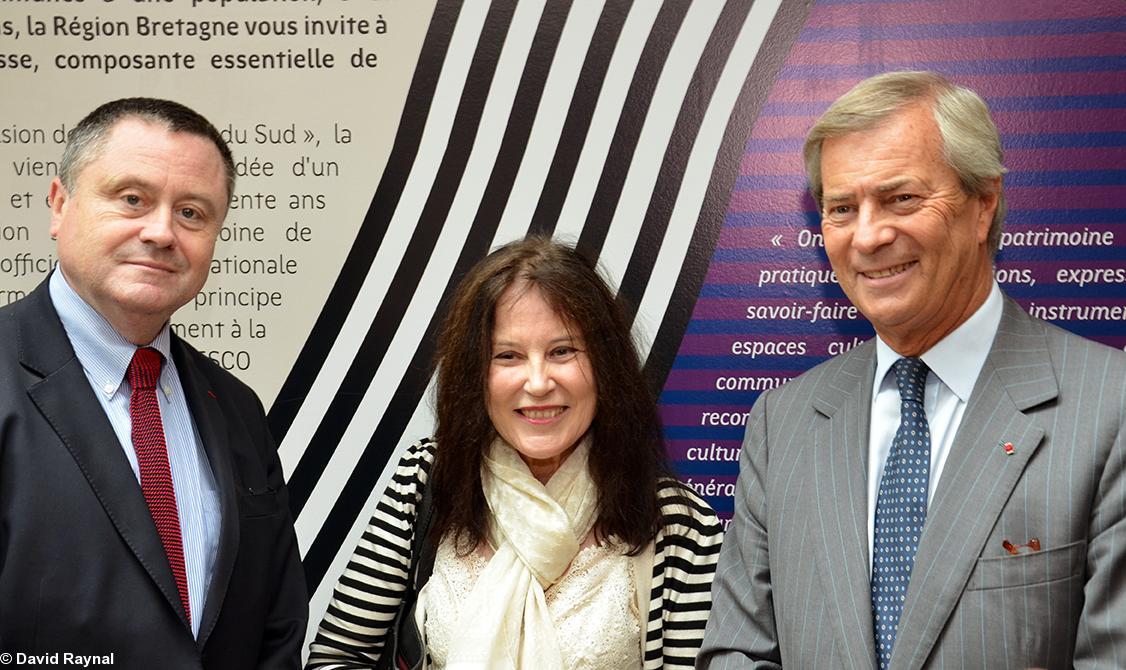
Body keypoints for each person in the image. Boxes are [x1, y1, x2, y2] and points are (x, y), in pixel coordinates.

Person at [697, 71, 1126, 669]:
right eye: (842, 208)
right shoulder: (781, 422)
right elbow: (737, 652)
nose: (869, 236)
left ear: (983, 205)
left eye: (901, 199)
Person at [307, 236, 723, 669]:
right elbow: (340, 656)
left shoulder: (678, 524)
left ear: (605, 364)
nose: (539, 382)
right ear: (474, 373)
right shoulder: (428, 477)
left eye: (562, 351)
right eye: (508, 355)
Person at [0, 98, 308, 668]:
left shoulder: (236, 407)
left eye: (192, 213)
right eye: (132, 199)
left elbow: (277, 622)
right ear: (60, 204)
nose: (162, 232)